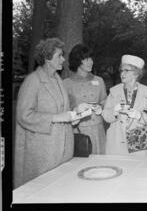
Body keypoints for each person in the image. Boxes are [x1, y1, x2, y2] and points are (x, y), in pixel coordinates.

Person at [14, 38, 77, 188]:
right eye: (59, 56)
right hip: (42, 155)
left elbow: (62, 110)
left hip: (62, 151)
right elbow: (23, 116)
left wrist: (75, 114)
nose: (63, 59)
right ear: (48, 58)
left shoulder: (57, 80)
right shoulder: (32, 81)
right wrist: (56, 118)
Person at [102, 55, 147, 157]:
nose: (122, 73)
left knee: (138, 170)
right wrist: (114, 112)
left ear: (136, 73)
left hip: (139, 140)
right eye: (121, 70)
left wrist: (139, 116)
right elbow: (105, 116)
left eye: (126, 70)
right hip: (116, 141)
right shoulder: (114, 92)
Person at [63, 44, 107, 154]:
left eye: (91, 58)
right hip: (78, 130)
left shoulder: (99, 81)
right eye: (86, 59)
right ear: (77, 61)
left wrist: (101, 107)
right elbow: (63, 110)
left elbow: (104, 101)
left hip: (98, 130)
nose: (90, 62)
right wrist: (76, 110)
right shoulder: (66, 84)